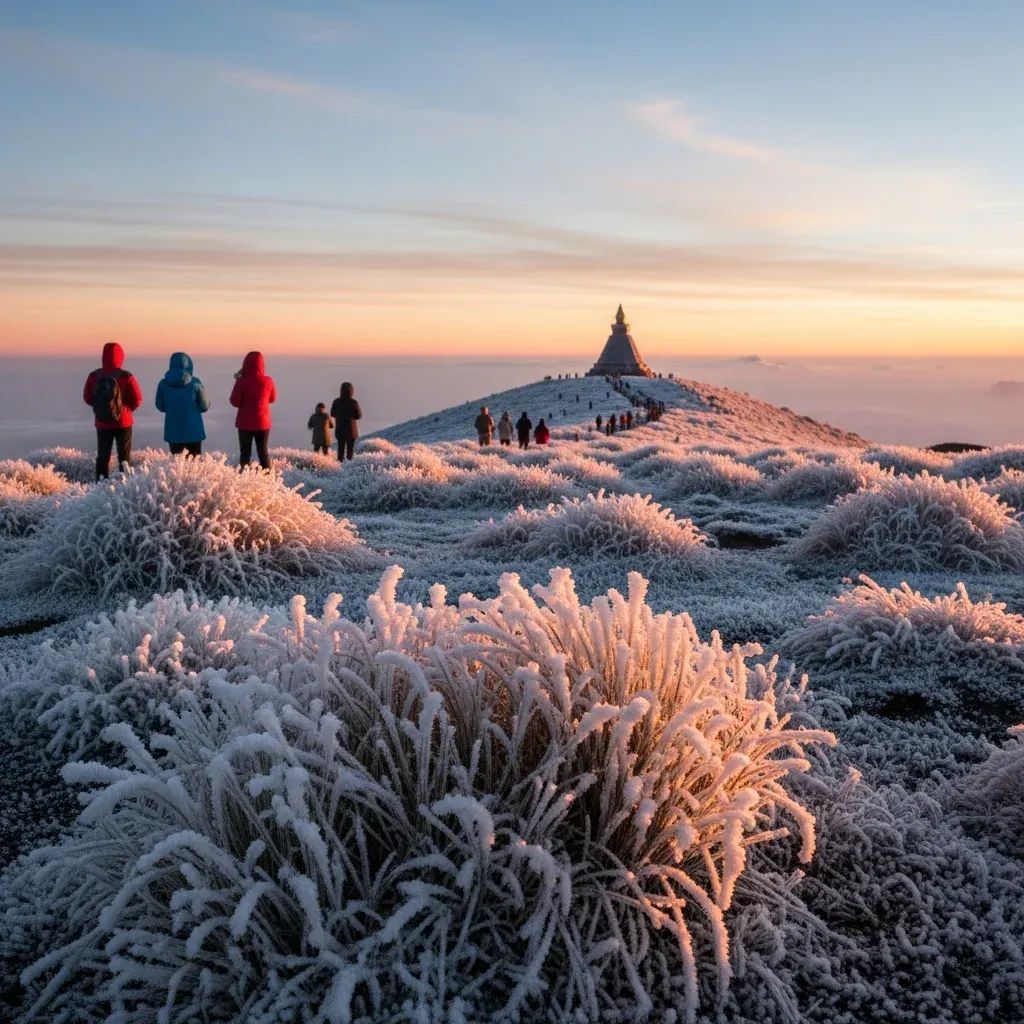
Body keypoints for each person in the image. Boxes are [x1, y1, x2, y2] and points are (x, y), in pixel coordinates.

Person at [83, 341, 143, 479]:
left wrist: (100, 408)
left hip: (102, 422)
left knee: (103, 457)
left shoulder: (94, 375)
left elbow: (87, 397)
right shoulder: (126, 376)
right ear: (121, 356)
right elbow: (138, 399)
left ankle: (100, 487)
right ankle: (125, 486)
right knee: (124, 458)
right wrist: (126, 410)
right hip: (123, 422)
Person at [154, 352, 209, 457]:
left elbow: (160, 406)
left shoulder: (163, 384)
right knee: (195, 465)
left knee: (177, 464)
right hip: (194, 431)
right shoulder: (196, 383)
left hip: (173, 432)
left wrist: (172, 408)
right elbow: (204, 406)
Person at [230, 351, 276, 470]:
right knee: (263, 453)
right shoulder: (268, 381)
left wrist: (238, 380)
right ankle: (268, 479)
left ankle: (244, 480)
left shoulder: (241, 381)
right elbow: (273, 398)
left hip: (245, 424)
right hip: (263, 423)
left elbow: (234, 402)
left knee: (245, 453)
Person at [330, 382, 362, 463]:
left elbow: (332, 413)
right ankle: (348, 467)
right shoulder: (354, 402)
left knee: (340, 450)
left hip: (340, 430)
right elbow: (358, 416)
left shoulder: (336, 402)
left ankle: (339, 467)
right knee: (350, 452)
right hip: (351, 431)